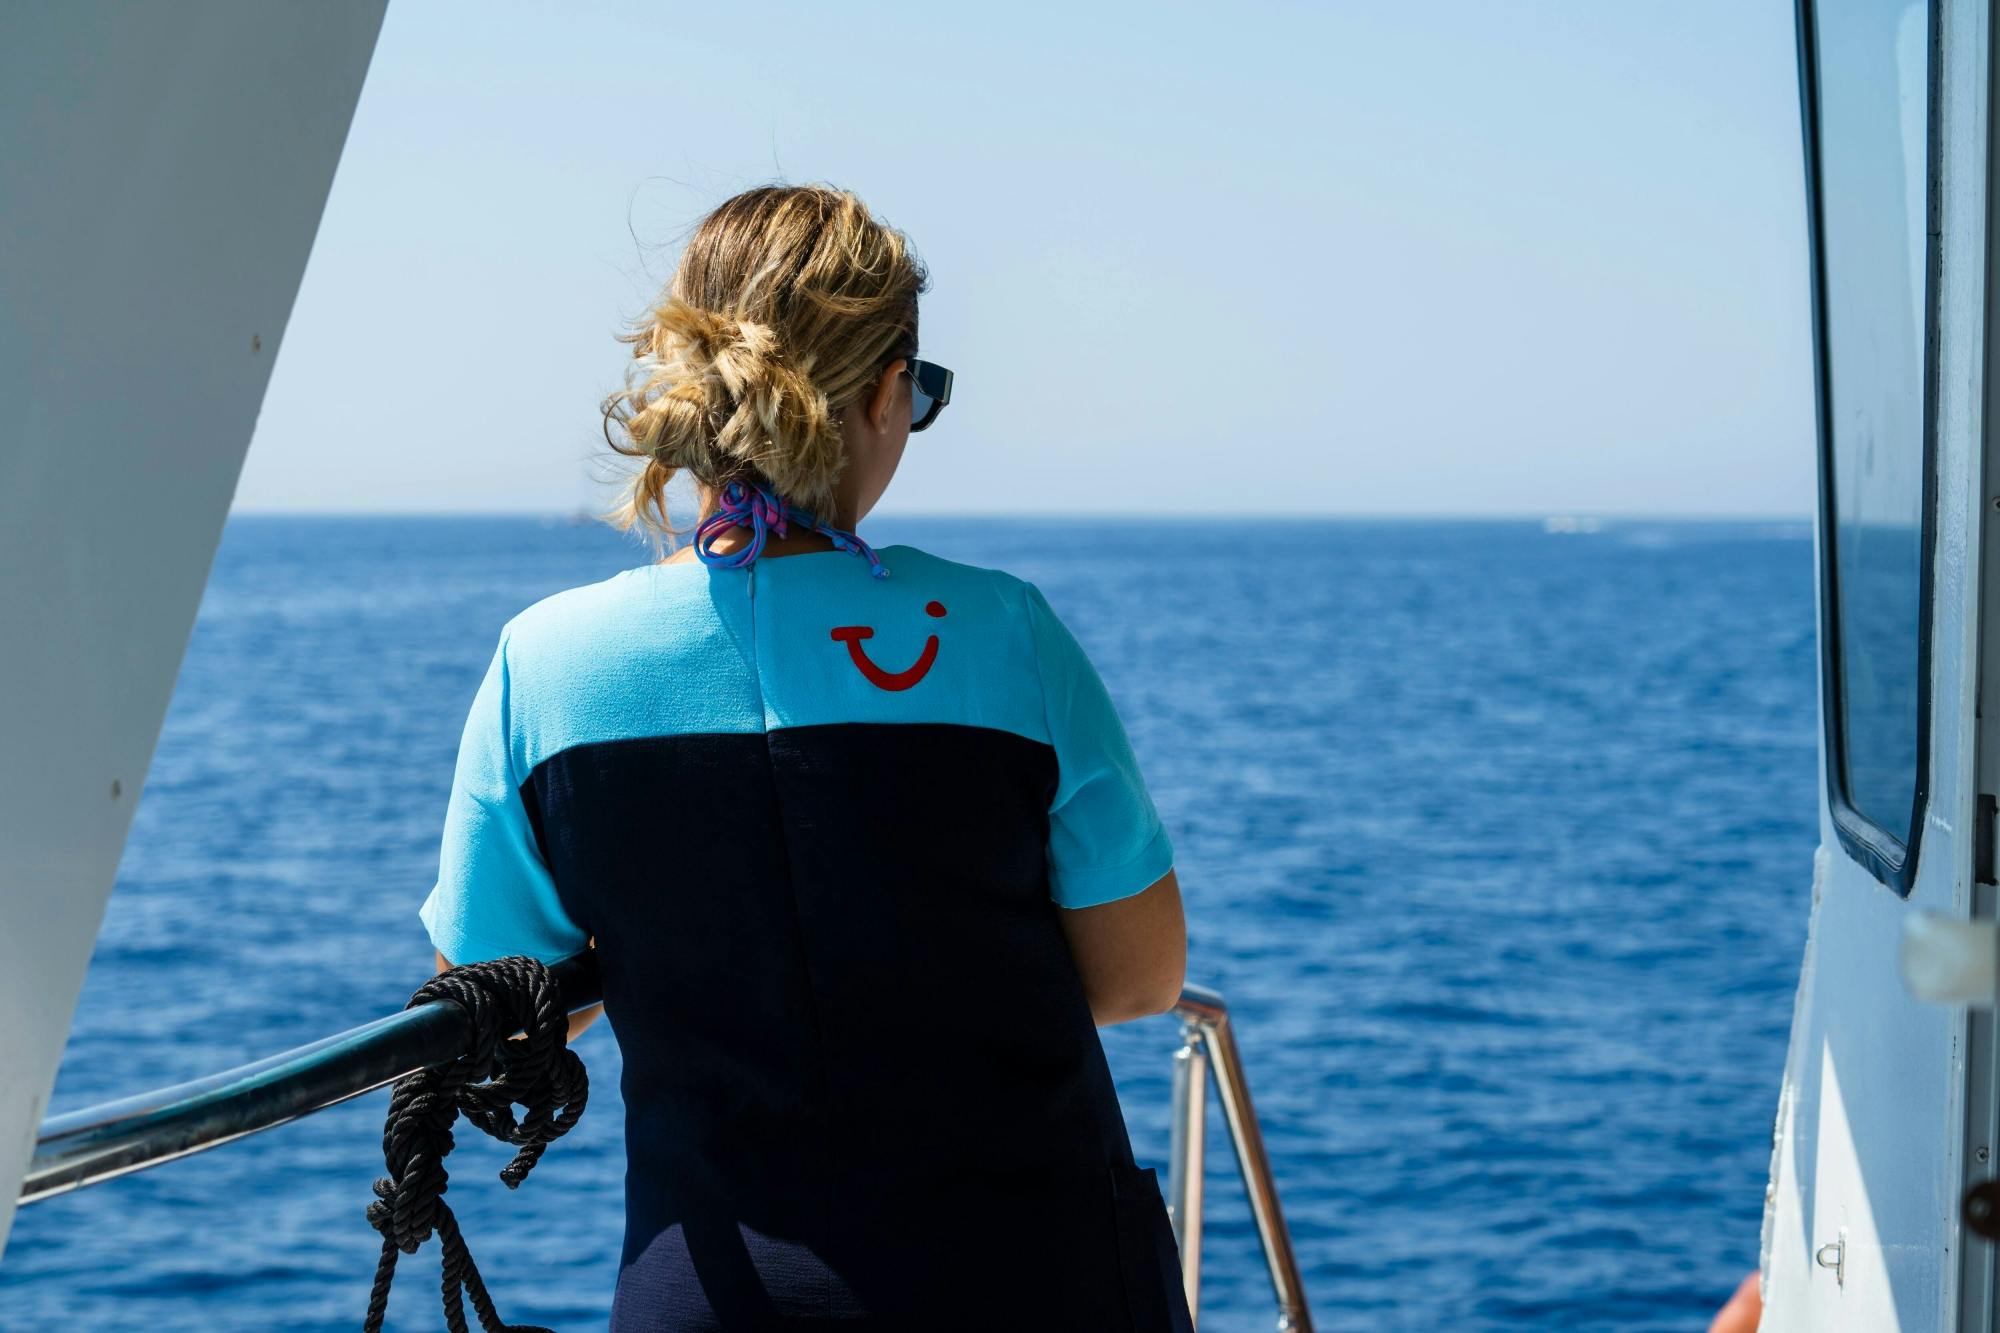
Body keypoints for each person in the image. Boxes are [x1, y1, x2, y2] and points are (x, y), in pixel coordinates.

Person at [419, 184, 1193, 1331]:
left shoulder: (547, 665)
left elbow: (499, 1003)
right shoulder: (1003, 634)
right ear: (885, 394)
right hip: (1042, 1278)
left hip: (720, 1300)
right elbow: (1138, 978)